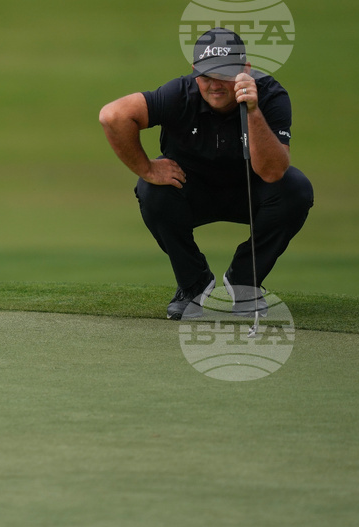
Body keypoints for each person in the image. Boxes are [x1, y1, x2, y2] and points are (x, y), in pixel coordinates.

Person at [99, 28, 313, 320]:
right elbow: (113, 116)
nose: (214, 85)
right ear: (194, 72)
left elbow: (273, 171)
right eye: (206, 75)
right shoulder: (180, 93)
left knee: (296, 190)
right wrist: (147, 168)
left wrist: (252, 110)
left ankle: (244, 283)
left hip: (249, 192)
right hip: (191, 191)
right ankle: (194, 286)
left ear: (245, 70)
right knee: (152, 191)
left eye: (224, 75)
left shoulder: (271, 95)